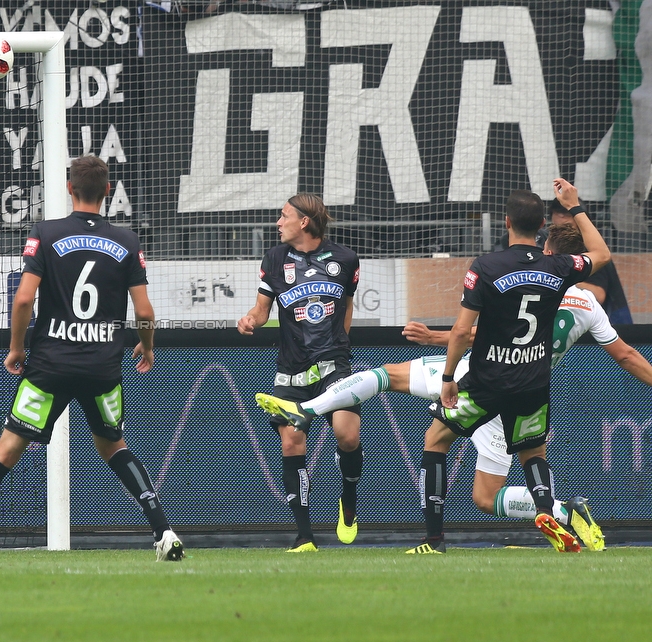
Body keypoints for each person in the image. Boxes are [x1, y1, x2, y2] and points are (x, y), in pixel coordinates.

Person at [258, 221, 652, 551]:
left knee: (389, 381)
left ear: (549, 248)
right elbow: (627, 356)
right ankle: (563, 511)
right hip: (525, 387)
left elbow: (485, 332)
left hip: (476, 377)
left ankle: (308, 409)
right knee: (487, 496)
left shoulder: (533, 280)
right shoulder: (588, 305)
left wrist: (435, 339)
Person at [0, 155, 184, 563]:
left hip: (50, 364)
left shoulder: (45, 234)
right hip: (102, 366)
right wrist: (148, 344)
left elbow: (23, 298)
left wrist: (17, 348)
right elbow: (144, 313)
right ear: (108, 192)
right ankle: (165, 532)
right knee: (114, 447)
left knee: (7, 449)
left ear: (70, 188)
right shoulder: (127, 241)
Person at [406, 180, 610, 553]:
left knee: (436, 439)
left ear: (506, 222)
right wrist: (576, 206)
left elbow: (461, 330)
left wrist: (449, 377)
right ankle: (546, 509)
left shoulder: (486, 266)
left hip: (486, 380)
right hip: (533, 382)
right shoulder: (560, 266)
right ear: (541, 226)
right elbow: (602, 253)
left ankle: (433, 539)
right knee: (533, 453)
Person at [237, 193, 362, 552]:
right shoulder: (274, 259)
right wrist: (250, 320)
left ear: (303, 221)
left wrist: (341, 346)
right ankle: (305, 536)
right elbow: (262, 310)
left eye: (283, 215)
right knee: (292, 442)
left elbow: (347, 306)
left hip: (333, 365)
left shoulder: (345, 259)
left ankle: (349, 496)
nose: (278, 222)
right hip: (291, 369)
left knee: (347, 436)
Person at [549, 199, 632, 324]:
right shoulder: (554, 246)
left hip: (611, 328)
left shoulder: (589, 249)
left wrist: (559, 280)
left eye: (567, 228)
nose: (562, 235)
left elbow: (598, 295)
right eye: (557, 229)